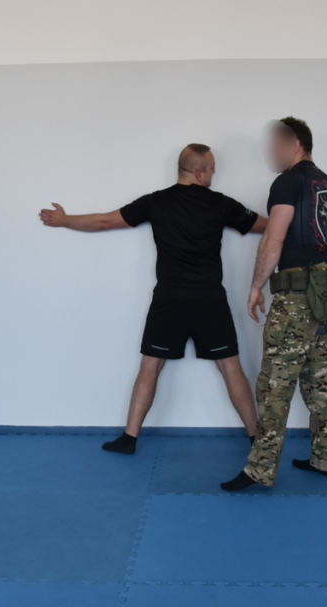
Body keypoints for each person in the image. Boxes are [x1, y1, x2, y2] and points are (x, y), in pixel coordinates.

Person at [40, 144, 267, 454]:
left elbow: (105, 221)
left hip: (169, 299)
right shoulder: (220, 204)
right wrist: (306, 224)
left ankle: (129, 439)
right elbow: (269, 226)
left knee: (150, 366)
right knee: (231, 367)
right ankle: (258, 442)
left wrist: (65, 220)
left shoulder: (156, 202)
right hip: (209, 299)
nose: (215, 172)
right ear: (199, 173)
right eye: (212, 168)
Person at [221, 118, 327, 490]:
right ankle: (324, 458)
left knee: (274, 384)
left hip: (295, 296)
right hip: (324, 293)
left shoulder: (288, 181)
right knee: (318, 378)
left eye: (276, 145)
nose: (271, 152)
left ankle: (260, 470)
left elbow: (273, 239)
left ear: (295, 143)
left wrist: (256, 286)